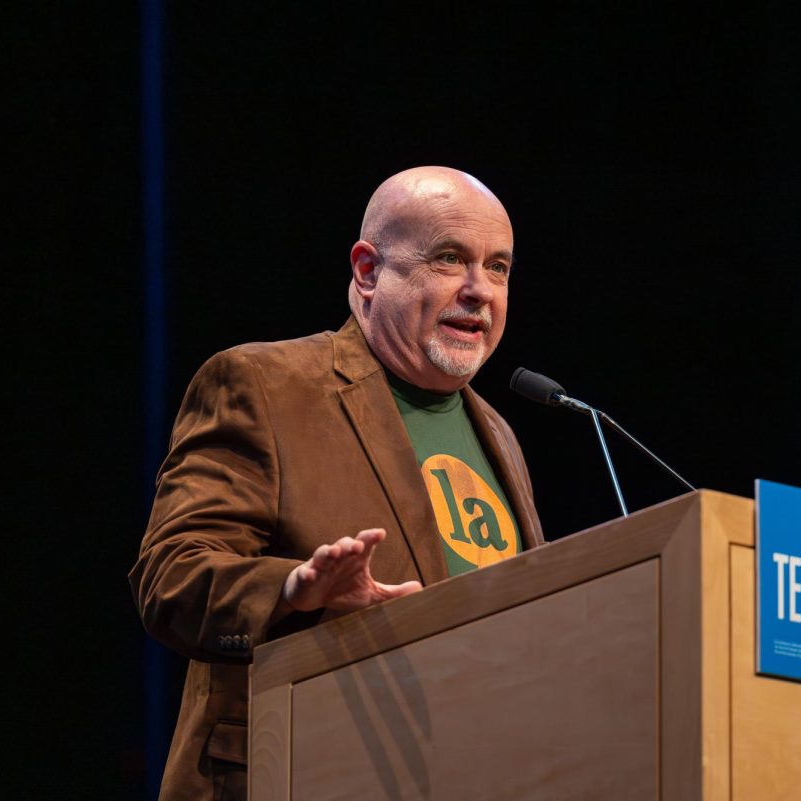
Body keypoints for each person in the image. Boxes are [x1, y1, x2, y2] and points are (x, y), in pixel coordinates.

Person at [130, 166, 545, 801]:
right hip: (298, 770)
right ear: (368, 271)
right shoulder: (264, 386)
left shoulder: (500, 436)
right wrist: (295, 590)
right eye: (449, 259)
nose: (478, 290)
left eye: (499, 268)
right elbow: (171, 576)